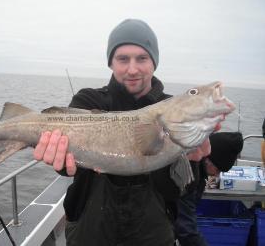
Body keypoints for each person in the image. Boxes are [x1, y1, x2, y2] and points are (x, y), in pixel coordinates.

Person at [34, 19, 212, 246]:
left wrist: (193, 160)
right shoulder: (88, 100)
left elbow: (181, 191)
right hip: (91, 230)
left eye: (142, 58)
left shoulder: (173, 108)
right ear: (110, 63)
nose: (132, 69)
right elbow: (69, 167)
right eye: (122, 59)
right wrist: (59, 161)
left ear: (154, 62)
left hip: (153, 231)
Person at [175, 132, 244, 246]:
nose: (216, 176)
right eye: (218, 170)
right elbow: (186, 229)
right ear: (208, 160)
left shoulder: (197, 169)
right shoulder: (188, 177)